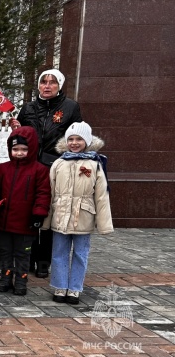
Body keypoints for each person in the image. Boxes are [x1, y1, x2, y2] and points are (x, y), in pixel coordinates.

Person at [10, 68, 83, 278]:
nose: (47, 86)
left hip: (57, 167)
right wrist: (16, 128)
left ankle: (44, 261)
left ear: (59, 85)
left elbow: (76, 138)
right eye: (44, 82)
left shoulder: (70, 107)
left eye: (52, 82)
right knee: (31, 212)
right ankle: (30, 257)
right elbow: (23, 138)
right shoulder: (29, 108)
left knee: (50, 217)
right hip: (31, 168)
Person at [44, 122, 112, 305]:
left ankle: (74, 288)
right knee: (59, 253)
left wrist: (104, 224)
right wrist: (46, 220)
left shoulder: (94, 164)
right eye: (71, 139)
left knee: (80, 254)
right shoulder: (58, 163)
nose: (74, 143)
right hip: (60, 215)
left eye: (79, 139)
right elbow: (49, 192)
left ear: (87, 141)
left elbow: (101, 195)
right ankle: (60, 286)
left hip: (84, 216)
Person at [0, 127, 51, 296]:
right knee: (5, 252)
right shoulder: (3, 169)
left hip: (26, 222)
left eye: (24, 150)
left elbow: (43, 193)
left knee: (23, 254)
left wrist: (39, 213)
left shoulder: (39, 170)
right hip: (4, 221)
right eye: (15, 149)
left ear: (31, 149)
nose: (19, 153)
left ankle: (21, 280)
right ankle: (5, 277)